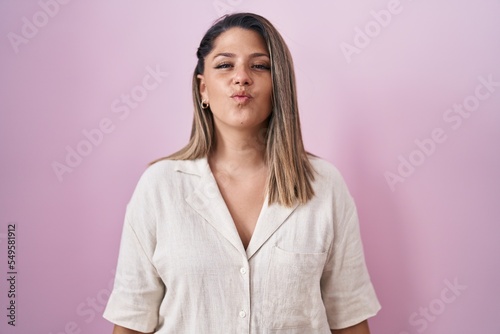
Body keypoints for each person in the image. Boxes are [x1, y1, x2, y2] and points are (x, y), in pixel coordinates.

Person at [103, 12, 381, 334]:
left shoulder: (324, 185)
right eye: (225, 65)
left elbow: (348, 318)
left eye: (259, 65)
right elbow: (132, 320)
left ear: (279, 85)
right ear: (203, 89)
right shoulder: (159, 187)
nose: (242, 77)